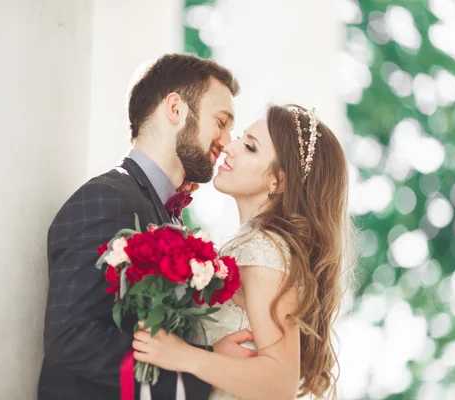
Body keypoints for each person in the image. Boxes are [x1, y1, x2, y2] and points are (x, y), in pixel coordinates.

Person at [38, 54, 256, 400]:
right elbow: (71, 339)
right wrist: (202, 366)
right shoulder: (104, 199)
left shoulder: (170, 214)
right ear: (175, 108)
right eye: (221, 121)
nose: (228, 141)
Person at [132, 104, 355, 399]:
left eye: (249, 147)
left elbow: (280, 382)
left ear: (280, 181)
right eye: (241, 138)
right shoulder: (252, 243)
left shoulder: (265, 251)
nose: (230, 147)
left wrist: (184, 356)